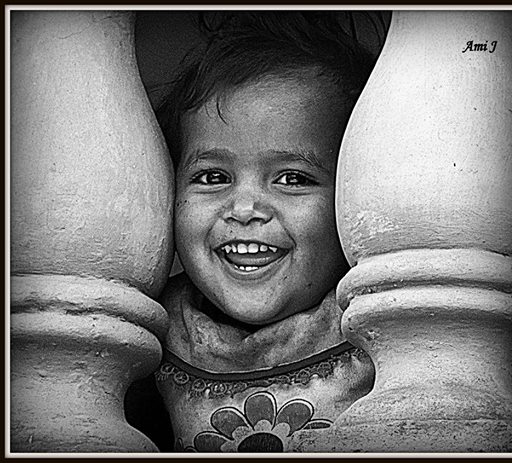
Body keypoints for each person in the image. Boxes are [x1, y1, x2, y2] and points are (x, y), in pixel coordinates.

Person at [154, 12, 378, 452]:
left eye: (292, 178)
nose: (244, 209)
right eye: (213, 177)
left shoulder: (379, 325)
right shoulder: (157, 336)